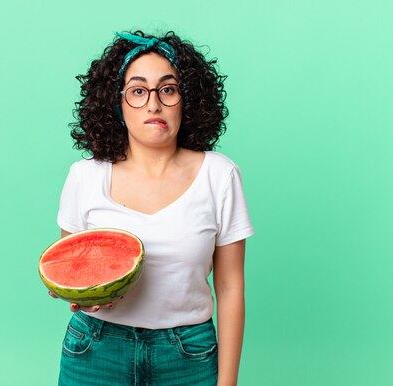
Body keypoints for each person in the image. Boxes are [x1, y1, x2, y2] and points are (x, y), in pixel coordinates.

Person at [51, 31, 254, 386]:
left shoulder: (220, 175)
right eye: (138, 90)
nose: (154, 104)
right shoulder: (84, 176)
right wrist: (78, 295)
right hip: (95, 350)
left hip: (188, 355)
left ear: (187, 101)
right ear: (117, 103)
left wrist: (228, 383)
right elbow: (73, 269)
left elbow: (230, 286)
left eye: (168, 89)